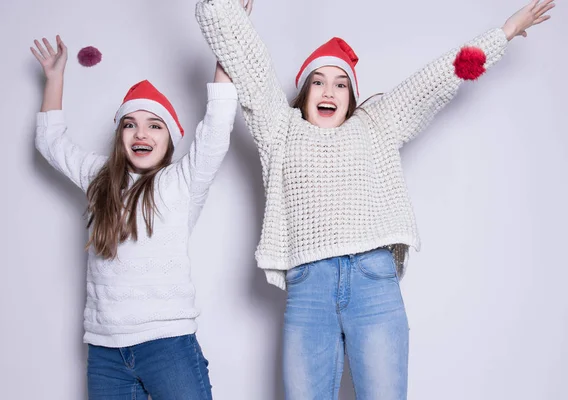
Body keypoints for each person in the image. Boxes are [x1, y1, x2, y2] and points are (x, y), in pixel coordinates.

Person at [195, 0, 555, 398]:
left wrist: (502, 34)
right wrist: (224, 11)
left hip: (373, 285)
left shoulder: (377, 122)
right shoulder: (280, 129)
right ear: (304, 91)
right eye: (318, 81)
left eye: (340, 83)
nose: (329, 90)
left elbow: (440, 79)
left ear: (351, 96)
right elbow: (249, 69)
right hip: (309, 292)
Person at [31, 34, 238, 399]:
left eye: (154, 125)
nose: (141, 133)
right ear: (120, 135)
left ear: (170, 138)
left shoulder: (182, 181)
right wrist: (55, 77)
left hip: (168, 347)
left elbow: (218, 125)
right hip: (105, 352)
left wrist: (227, 36)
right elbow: (51, 143)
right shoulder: (99, 179)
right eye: (131, 124)